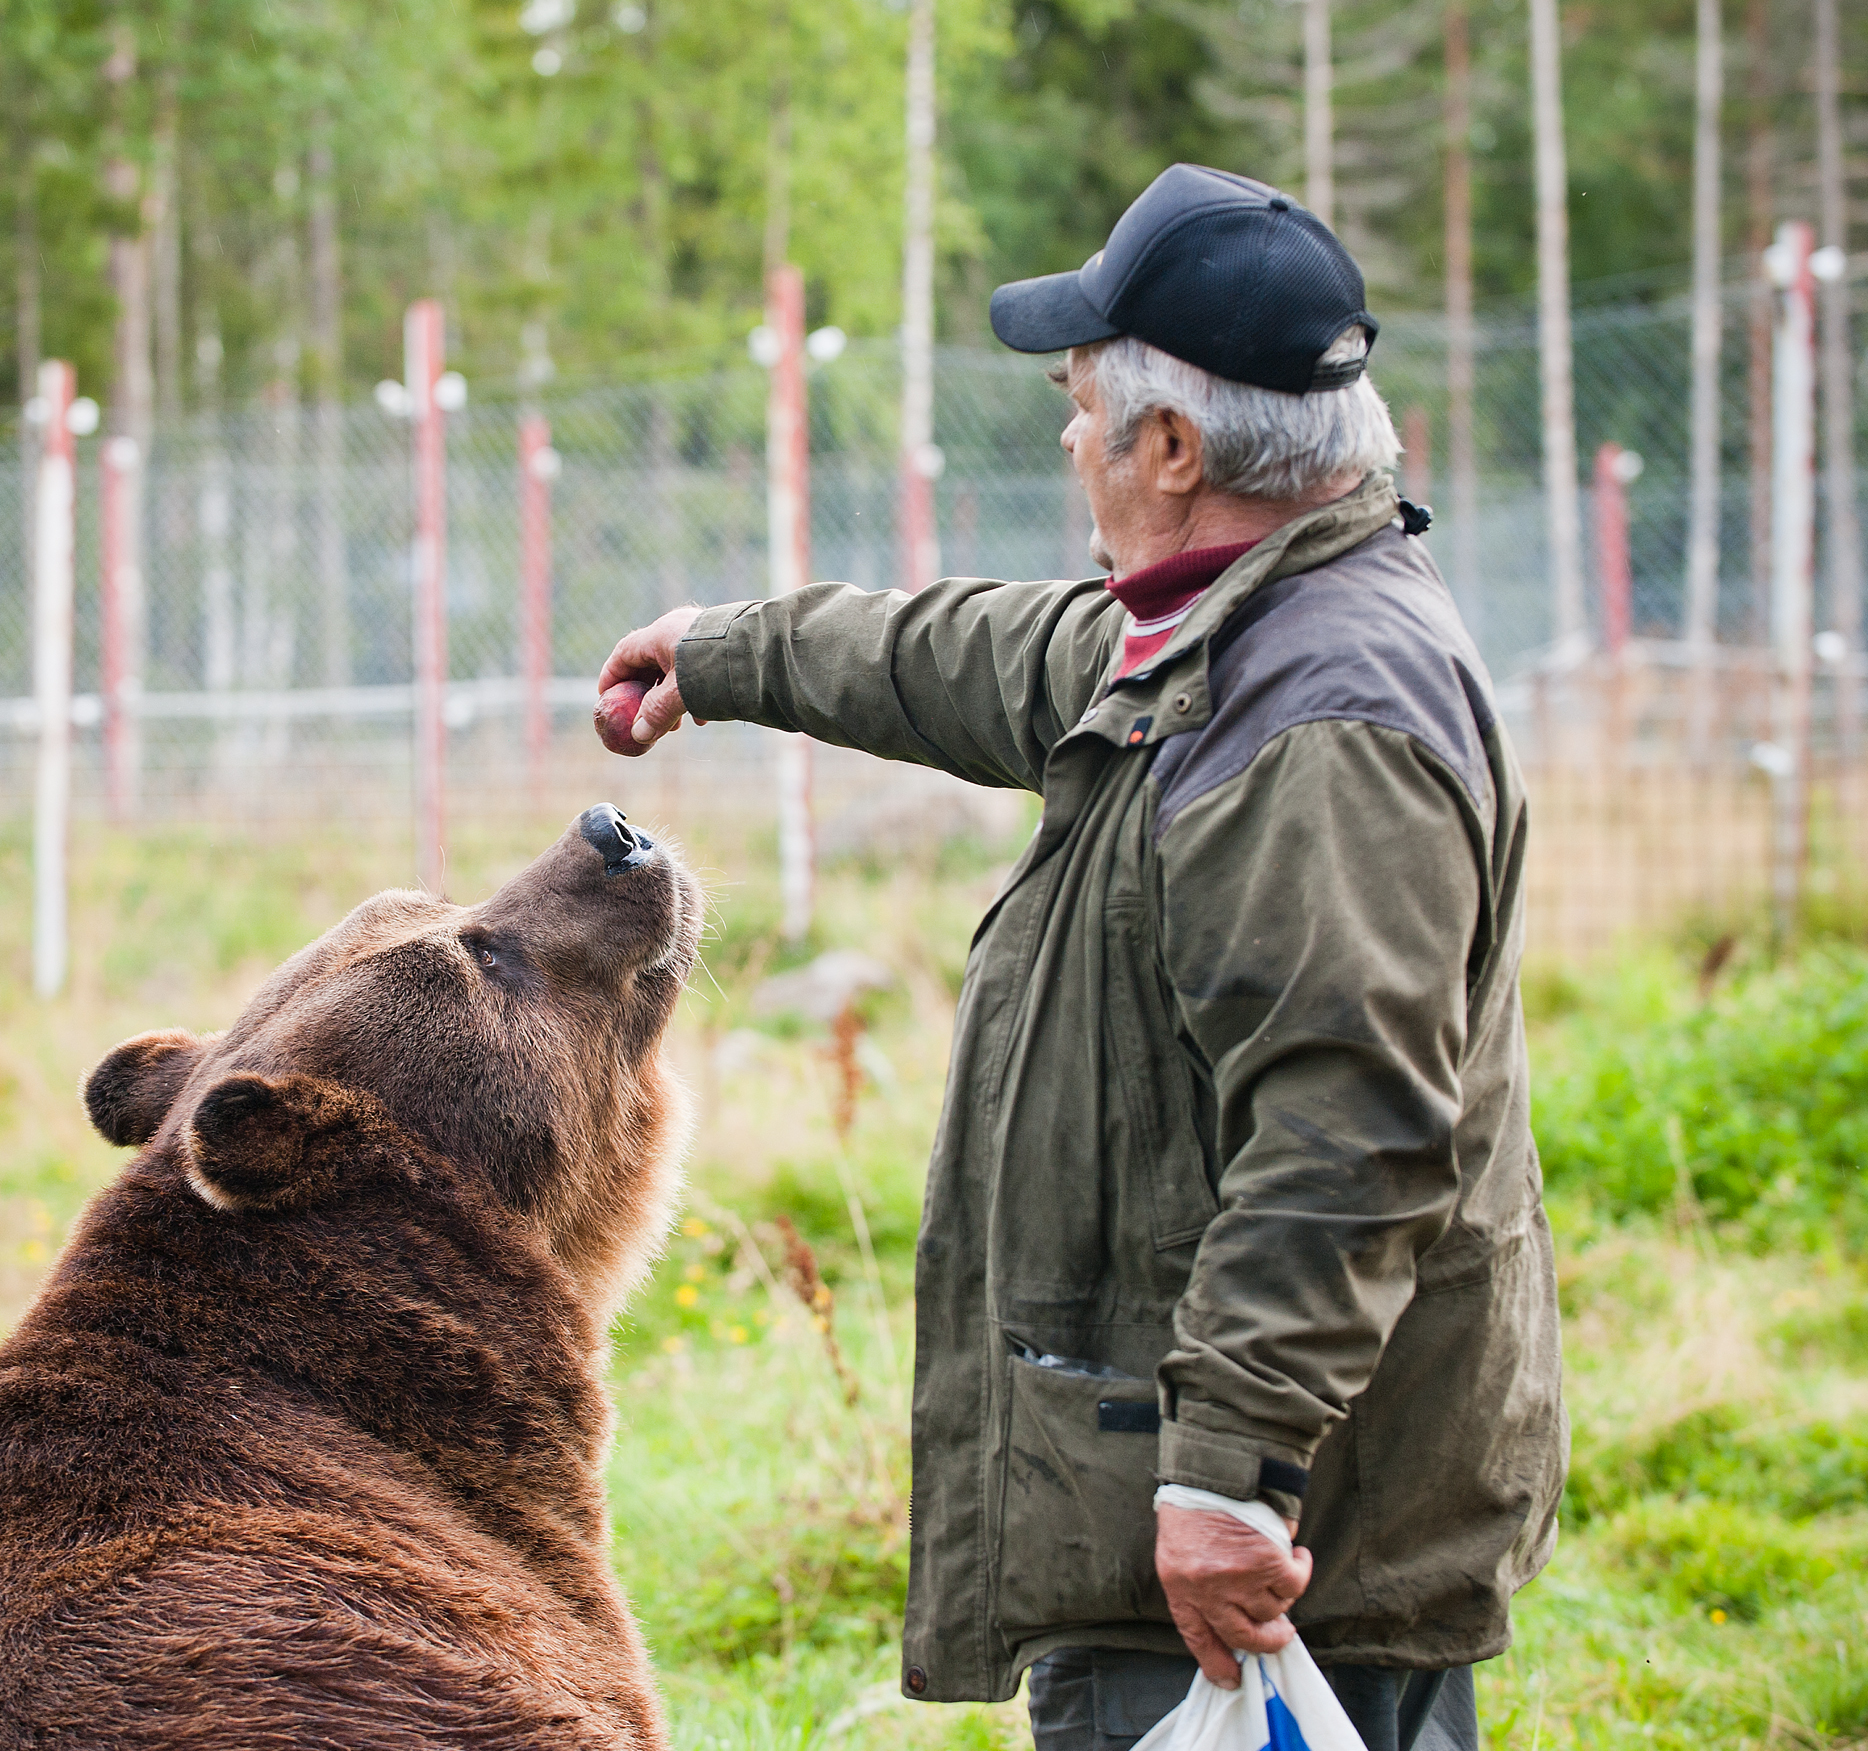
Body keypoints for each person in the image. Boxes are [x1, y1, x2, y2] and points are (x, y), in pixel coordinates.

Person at [595, 164, 1564, 1751]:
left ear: (1174, 448)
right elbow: (976, 653)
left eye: (1080, 400)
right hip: (1202, 1473)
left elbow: (1355, 1139)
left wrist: (1226, 1474)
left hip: (1274, 1538)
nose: (1065, 436)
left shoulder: (1319, 724)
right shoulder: (1223, 628)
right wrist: (724, 653)